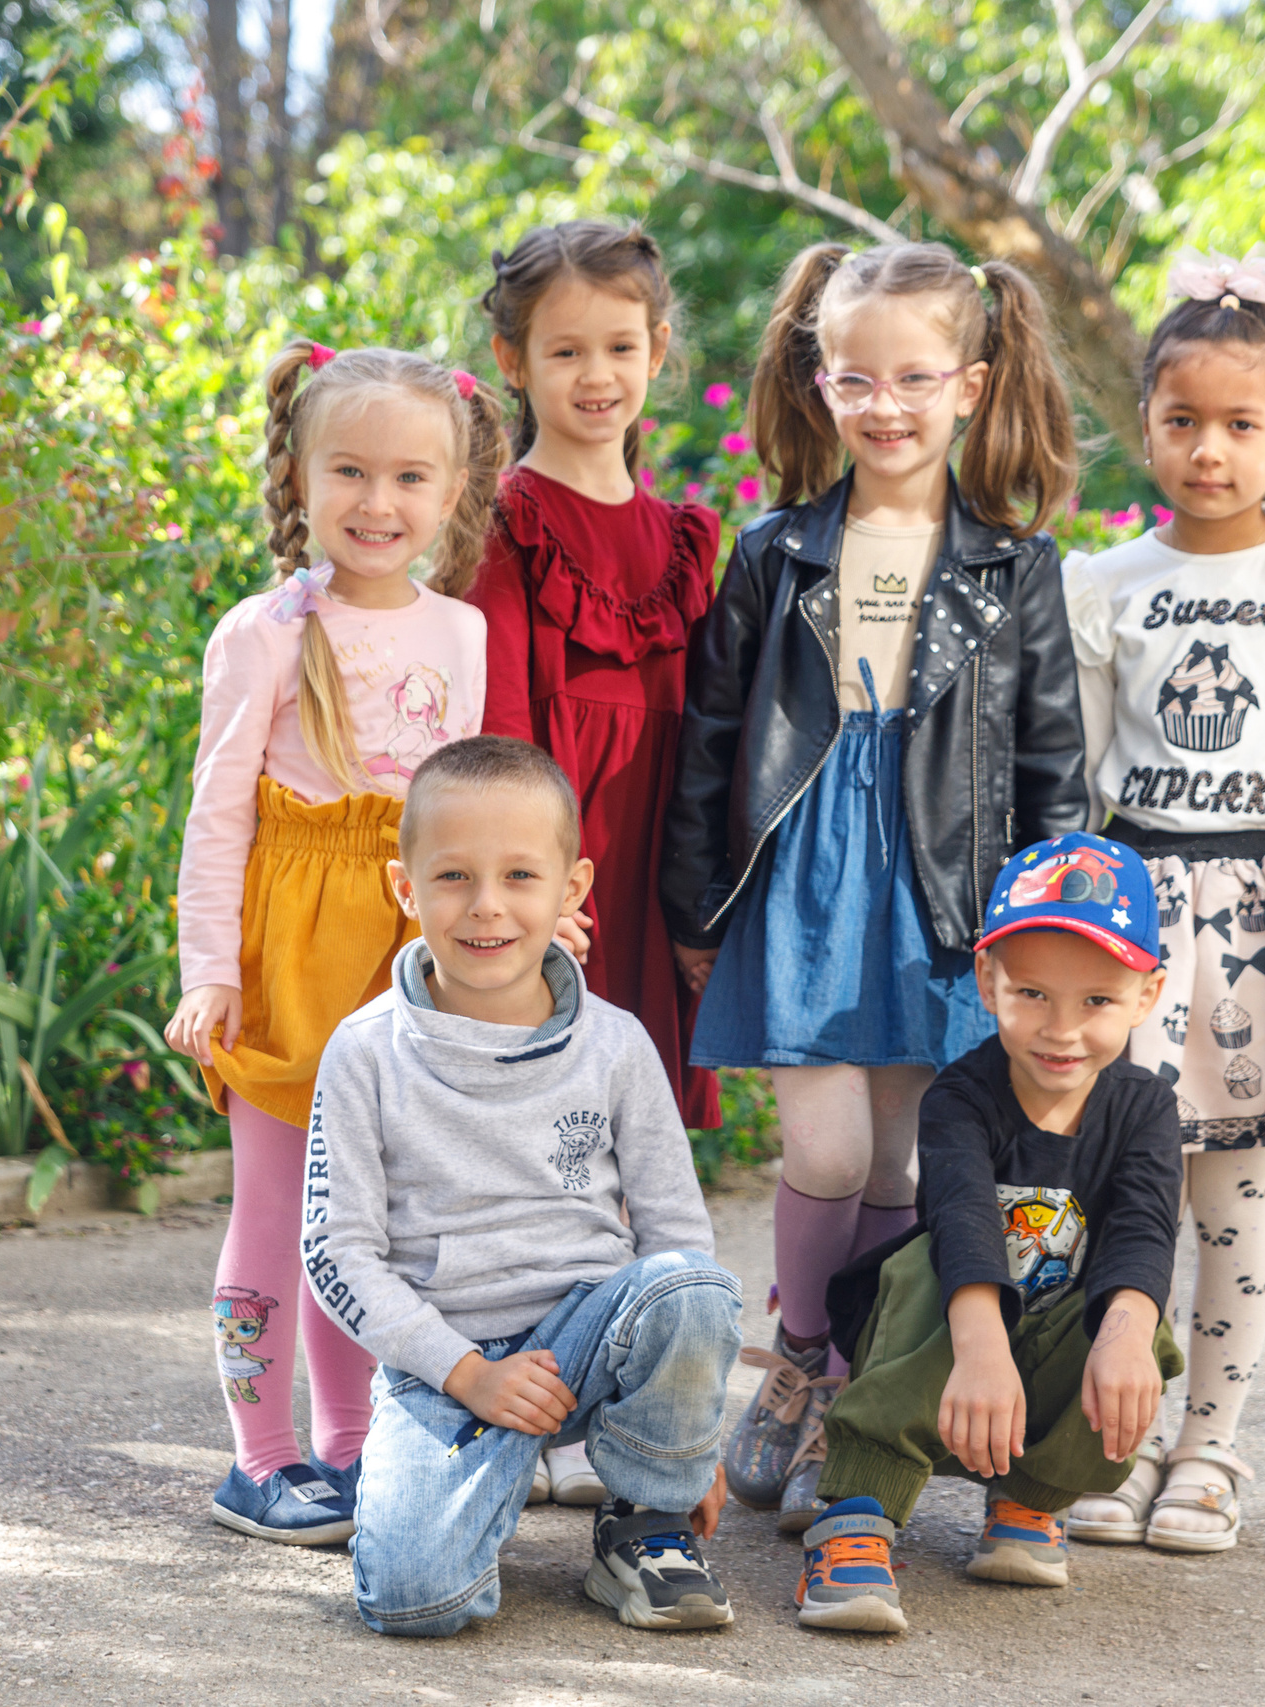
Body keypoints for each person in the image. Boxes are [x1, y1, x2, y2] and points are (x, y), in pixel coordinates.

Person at [664, 241, 1092, 1534]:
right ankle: (799, 1346)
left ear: (968, 383)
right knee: (830, 1145)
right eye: (858, 378)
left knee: (904, 1152)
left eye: (915, 378)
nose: (887, 404)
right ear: (819, 380)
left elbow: (1052, 763)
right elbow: (710, 735)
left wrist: (1044, 935)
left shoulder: (1016, 568)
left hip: (943, 890)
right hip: (800, 878)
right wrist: (696, 905)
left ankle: (850, 1392)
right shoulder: (776, 551)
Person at [1057, 245, 1265, 1555]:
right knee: (1119, 1184)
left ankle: (1211, 1446)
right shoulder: (1107, 586)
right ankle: (1111, 1440)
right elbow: (1080, 784)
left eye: (1241, 424)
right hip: (1132, 918)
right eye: (1183, 421)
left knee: (1233, 1199)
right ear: (1144, 424)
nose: (1209, 449)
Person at [164, 343, 506, 1548]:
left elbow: (461, 806)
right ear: (298, 477)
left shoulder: (461, 633)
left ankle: (352, 1449)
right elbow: (217, 820)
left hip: (403, 957)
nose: (378, 503)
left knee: (369, 1224)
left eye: (411, 477)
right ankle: (261, 1460)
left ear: (453, 490)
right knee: (275, 1214)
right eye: (349, 472)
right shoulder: (261, 634)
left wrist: (503, 925)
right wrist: (211, 970)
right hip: (290, 952)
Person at [303, 737, 744, 1637]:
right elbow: (336, 1249)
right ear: (405, 888)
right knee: (413, 1598)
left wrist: (686, 1446)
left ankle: (645, 1520)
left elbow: (674, 1234)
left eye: (519, 875)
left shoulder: (617, 1045)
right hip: (449, 1358)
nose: (487, 906)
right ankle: (481, 1480)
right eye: (455, 876)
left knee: (694, 1288)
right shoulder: (363, 1051)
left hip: (593, 1332)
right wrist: (468, 1374)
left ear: (572, 889)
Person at [469, 221, 724, 1506]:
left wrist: (710, 893)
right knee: (546, 1142)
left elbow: (718, 734)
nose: (594, 375)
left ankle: (636, 1413)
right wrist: (530, 890)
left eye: (618, 346)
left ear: (657, 351)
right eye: (563, 349)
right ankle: (538, 1408)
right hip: (559, 877)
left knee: (641, 1147)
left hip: (655, 880)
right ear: (515, 361)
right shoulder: (505, 521)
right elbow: (504, 732)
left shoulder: (688, 540)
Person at [794, 833, 1185, 1635]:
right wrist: (979, 1349)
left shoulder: (1145, 1107)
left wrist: (1125, 1334)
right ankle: (857, 1514)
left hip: (1043, 1346)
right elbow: (964, 1220)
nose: (1062, 1028)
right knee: (924, 1273)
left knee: (1138, 1323)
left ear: (1147, 995)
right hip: (949, 1335)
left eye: (1098, 1001)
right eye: (1032, 993)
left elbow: (1145, 1229)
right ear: (987, 978)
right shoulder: (961, 1096)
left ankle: (1031, 1498)